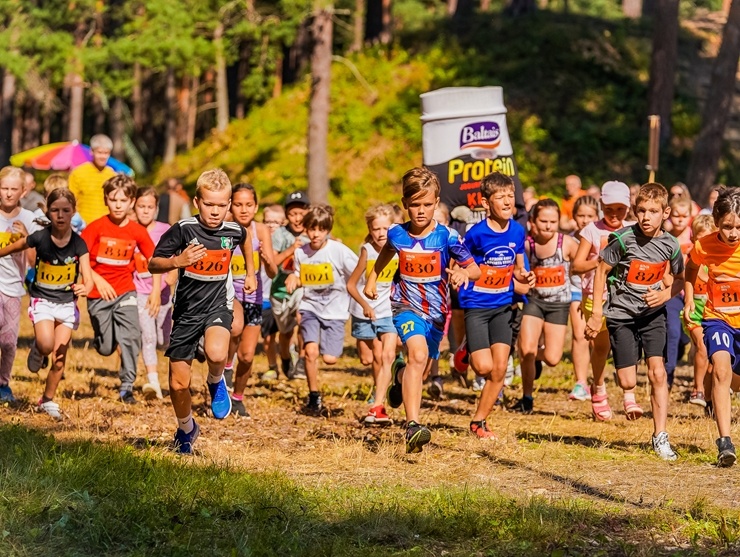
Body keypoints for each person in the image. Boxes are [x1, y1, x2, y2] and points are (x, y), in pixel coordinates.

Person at [364, 167, 480, 453]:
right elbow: (385, 254)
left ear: (437, 202)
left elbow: (474, 269)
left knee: (421, 370)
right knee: (416, 355)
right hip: (404, 305)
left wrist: (464, 275)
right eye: (415, 204)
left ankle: (399, 375)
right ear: (405, 204)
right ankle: (413, 425)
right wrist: (372, 277)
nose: (420, 211)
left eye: (427, 204)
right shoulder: (396, 234)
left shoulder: (448, 237)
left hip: (437, 313)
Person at [148, 168, 256, 455]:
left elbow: (245, 239)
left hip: (218, 304)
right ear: (198, 202)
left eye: (222, 205)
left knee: (218, 353)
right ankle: (186, 429)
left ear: (229, 204)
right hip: (185, 312)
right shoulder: (184, 229)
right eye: (210, 204)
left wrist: (251, 272)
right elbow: (153, 263)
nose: (216, 211)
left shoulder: (233, 231)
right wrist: (178, 261)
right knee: (178, 383)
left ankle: (215, 380)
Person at [586, 182, 684, 461]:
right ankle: (605, 385)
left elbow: (680, 279)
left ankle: (660, 436)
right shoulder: (621, 239)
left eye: (653, 211)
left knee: (658, 374)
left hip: (653, 315)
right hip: (622, 315)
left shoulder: (670, 244)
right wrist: (596, 313)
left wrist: (665, 294)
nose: (646, 217)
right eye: (641, 210)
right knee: (627, 381)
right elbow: (601, 271)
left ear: (665, 213)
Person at [0, 189, 93, 418]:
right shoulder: (40, 237)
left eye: (65, 210)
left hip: (66, 305)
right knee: (46, 345)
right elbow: (15, 247)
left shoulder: (79, 244)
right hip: (42, 300)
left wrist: (85, 287)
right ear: (47, 211)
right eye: (55, 210)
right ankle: (38, 350)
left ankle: (47, 399)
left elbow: (88, 277)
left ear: (73, 212)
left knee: (59, 359)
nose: (60, 215)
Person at [455, 172, 533, 433]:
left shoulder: (518, 230)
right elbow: (460, 260)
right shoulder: (476, 234)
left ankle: (479, 421)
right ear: (486, 203)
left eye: (511, 196)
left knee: (499, 370)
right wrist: (461, 273)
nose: (508, 201)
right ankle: (466, 350)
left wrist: (524, 275)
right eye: (500, 197)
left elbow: (519, 264)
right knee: (483, 367)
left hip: (503, 305)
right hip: (477, 306)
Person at [81, 174, 156, 404]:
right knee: (105, 348)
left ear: (131, 201)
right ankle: (105, 340)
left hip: (125, 291)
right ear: (106, 200)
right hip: (98, 295)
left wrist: (156, 290)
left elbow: (155, 259)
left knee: (132, 336)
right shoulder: (95, 228)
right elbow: (78, 258)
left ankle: (127, 388)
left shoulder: (137, 231)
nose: (118, 205)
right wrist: (96, 280)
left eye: (123, 201)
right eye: (113, 200)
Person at [684, 187, 740, 467]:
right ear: (716, 222)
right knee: (720, 367)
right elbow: (691, 268)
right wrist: (689, 298)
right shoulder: (704, 245)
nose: (733, 234)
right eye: (727, 227)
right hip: (717, 318)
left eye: (739, 227)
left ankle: (712, 392)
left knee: (735, 381)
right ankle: (725, 442)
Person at [285, 205, 358, 415]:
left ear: (328, 230)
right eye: (311, 229)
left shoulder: (338, 251)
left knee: (330, 359)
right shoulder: (301, 252)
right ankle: (314, 395)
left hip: (335, 310)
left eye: (320, 229)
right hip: (310, 307)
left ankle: (318, 386)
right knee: (310, 352)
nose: (315, 234)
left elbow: (358, 271)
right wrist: (293, 278)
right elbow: (298, 275)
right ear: (305, 229)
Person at [572, 181, 633, 421]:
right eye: (609, 208)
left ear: (628, 208)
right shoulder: (591, 230)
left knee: (627, 344)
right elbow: (576, 266)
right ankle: (598, 388)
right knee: (601, 347)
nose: (615, 214)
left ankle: (629, 394)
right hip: (595, 297)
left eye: (620, 209)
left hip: (626, 297)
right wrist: (603, 260)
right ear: (601, 205)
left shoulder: (633, 228)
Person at [517, 199, 578, 413]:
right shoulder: (526, 244)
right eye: (543, 221)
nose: (548, 226)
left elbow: (581, 265)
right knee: (526, 349)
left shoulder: (567, 244)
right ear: (533, 221)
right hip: (534, 301)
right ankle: (527, 397)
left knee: (553, 358)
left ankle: (536, 359)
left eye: (553, 221)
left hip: (558, 304)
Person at [225, 183, 277, 417]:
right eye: (238, 204)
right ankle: (225, 367)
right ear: (230, 206)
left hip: (254, 298)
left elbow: (274, 272)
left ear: (256, 206)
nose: (243, 209)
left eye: (248, 205)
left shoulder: (261, 230)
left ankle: (237, 398)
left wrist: (266, 261)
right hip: (228, 295)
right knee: (234, 331)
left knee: (246, 356)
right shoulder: (224, 226)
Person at [347, 204, 398, 424]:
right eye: (376, 228)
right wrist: (365, 305)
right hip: (364, 311)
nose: (381, 233)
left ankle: (378, 405)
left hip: (388, 310)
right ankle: (384, 383)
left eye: (385, 228)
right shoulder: (367, 251)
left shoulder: (399, 249)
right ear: (370, 228)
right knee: (369, 359)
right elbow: (351, 285)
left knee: (386, 356)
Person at [0, 166, 42, 402]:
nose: (7, 193)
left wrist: (28, 239)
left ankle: (3, 384)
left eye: (13, 189)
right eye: (4, 188)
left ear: (23, 191)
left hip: (15, 288)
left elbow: (36, 260)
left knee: (8, 342)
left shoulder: (30, 218)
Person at [132, 186, 175, 400]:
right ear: (134, 206)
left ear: (156, 208)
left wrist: (171, 279)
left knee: (163, 339)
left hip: (164, 292)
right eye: (141, 206)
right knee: (147, 336)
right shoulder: (130, 229)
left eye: (150, 207)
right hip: (140, 291)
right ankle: (153, 382)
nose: (145, 211)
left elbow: (176, 259)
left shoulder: (165, 229)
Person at [270, 191, 310, 379]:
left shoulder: (313, 232)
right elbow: (273, 261)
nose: (297, 218)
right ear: (287, 215)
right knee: (285, 334)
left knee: (304, 321)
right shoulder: (280, 234)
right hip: (280, 291)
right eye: (293, 214)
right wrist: (291, 249)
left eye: (301, 213)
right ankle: (286, 358)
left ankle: (302, 360)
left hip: (304, 288)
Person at [567, 195, 599, 401]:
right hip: (576, 291)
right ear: (574, 217)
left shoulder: (602, 236)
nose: (585, 220)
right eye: (581, 215)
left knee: (598, 341)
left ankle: (598, 381)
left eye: (590, 215)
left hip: (600, 293)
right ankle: (580, 382)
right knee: (579, 336)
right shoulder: (569, 239)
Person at [682, 215, 716, 408]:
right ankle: (698, 390)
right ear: (694, 239)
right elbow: (696, 276)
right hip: (694, 310)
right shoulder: (693, 257)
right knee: (702, 347)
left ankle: (711, 396)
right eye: (700, 239)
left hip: (713, 311)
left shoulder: (720, 257)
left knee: (714, 356)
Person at [665, 197, 694, 388]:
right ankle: (668, 374)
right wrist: (672, 285)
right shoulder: (665, 236)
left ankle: (681, 346)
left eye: (685, 216)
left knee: (685, 336)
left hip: (693, 292)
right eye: (676, 215)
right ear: (669, 214)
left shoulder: (694, 237)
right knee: (673, 331)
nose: (680, 220)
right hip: (672, 292)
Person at [259, 204, 286, 381]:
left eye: (276, 222)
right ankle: (272, 366)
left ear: (283, 223)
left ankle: (287, 358)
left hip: (282, 296)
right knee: (268, 338)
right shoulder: (256, 242)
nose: (271, 225)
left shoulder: (286, 243)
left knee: (286, 334)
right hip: (263, 297)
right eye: (268, 221)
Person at [68, 134, 117, 224]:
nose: (103, 157)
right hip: (83, 225)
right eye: (99, 152)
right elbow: (71, 201)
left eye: (106, 153)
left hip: (106, 225)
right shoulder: (78, 173)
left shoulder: (112, 175)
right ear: (91, 151)